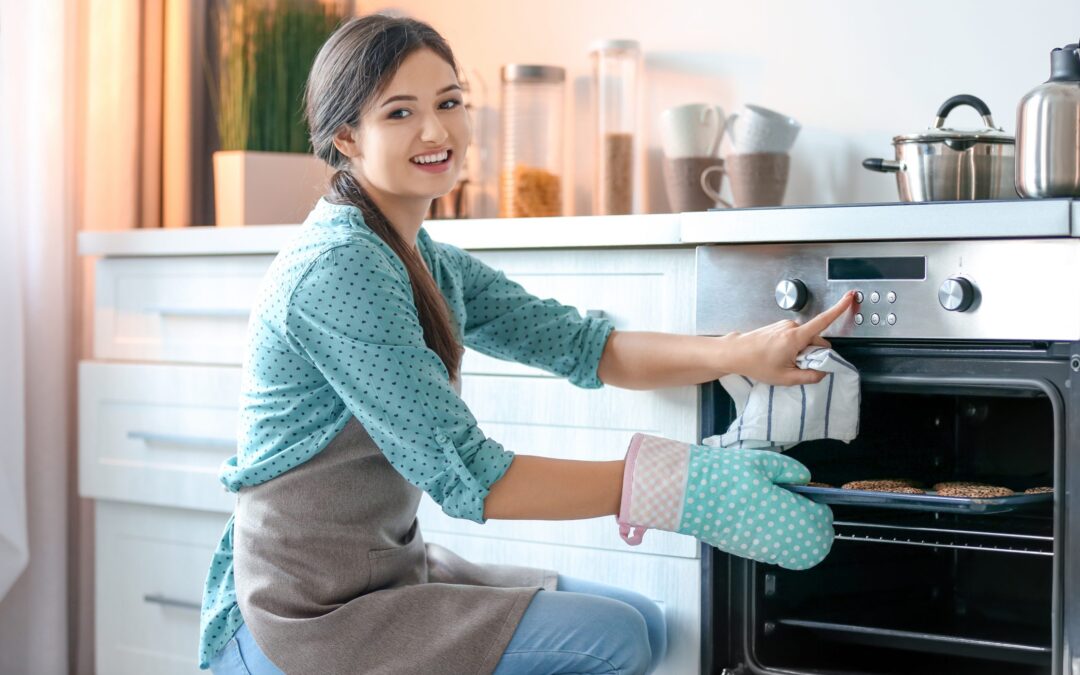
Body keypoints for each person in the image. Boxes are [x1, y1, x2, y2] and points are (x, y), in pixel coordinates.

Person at [197, 14, 854, 675]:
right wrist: (682, 487)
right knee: (617, 638)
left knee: (648, 627)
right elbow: (471, 477)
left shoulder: (420, 257)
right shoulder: (340, 267)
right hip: (300, 616)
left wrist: (738, 351)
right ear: (346, 136)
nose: (436, 131)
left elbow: (584, 345)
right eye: (400, 113)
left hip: (381, 578)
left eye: (449, 103)